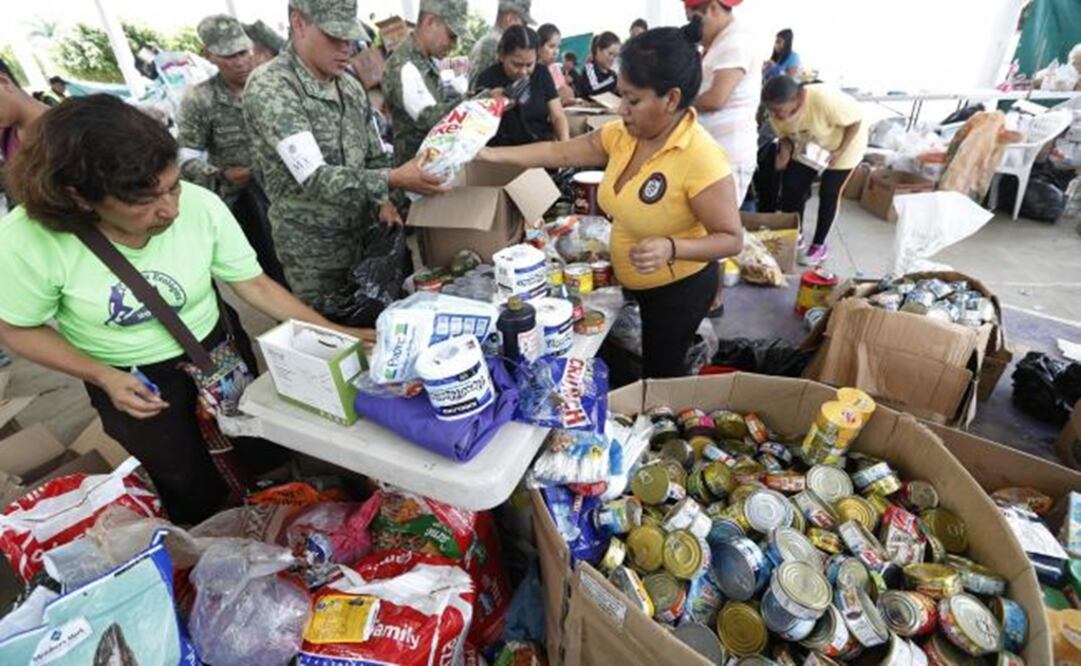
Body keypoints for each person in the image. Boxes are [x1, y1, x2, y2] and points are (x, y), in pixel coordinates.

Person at [0, 95, 371, 523]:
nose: (171, 209)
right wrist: (103, 376)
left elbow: (253, 284)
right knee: (185, 480)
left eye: (173, 185)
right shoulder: (26, 242)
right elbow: (18, 329)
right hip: (131, 378)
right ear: (80, 197)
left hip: (214, 351)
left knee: (260, 447)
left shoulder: (200, 205)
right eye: (143, 200)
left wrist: (328, 330)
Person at [479, 25, 742, 378]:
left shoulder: (701, 157)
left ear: (672, 99)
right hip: (632, 280)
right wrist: (491, 155)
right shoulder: (624, 134)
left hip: (677, 290)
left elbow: (731, 238)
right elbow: (559, 151)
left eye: (633, 100)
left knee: (660, 375)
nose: (621, 109)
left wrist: (670, 247)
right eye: (621, 96)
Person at [244, 0, 445, 317]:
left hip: (366, 240)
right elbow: (314, 177)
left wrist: (383, 201)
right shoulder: (272, 87)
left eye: (350, 39)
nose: (346, 49)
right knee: (335, 344)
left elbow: (375, 153)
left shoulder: (350, 87)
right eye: (335, 38)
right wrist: (392, 179)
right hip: (315, 254)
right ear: (299, 24)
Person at [178, 15, 287, 288]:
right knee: (272, 273)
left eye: (243, 52)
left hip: (290, 194)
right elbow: (184, 157)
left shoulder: (273, 86)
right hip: (247, 203)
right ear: (209, 56)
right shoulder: (200, 99)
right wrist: (221, 174)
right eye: (228, 56)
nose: (239, 62)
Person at [763, 76, 866, 265]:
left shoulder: (823, 99)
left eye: (780, 110)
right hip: (810, 144)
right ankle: (797, 233)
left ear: (799, 98)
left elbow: (856, 120)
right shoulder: (775, 113)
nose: (776, 115)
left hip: (845, 144)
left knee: (829, 193)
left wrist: (840, 150)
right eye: (772, 110)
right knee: (792, 186)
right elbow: (785, 136)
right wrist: (784, 152)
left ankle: (819, 244)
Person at [687, 0, 759, 205]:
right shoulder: (720, 42)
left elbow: (716, 98)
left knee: (716, 227)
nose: (695, 29)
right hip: (712, 151)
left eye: (695, 20)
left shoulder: (735, 42)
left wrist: (677, 105)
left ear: (712, 9)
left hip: (727, 155)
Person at [383, 0, 467, 166]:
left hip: (434, 169)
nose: (454, 45)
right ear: (430, 22)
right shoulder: (403, 65)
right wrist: (474, 103)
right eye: (451, 36)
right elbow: (430, 119)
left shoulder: (428, 60)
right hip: (415, 179)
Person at [476, 27, 569, 146]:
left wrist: (565, 146)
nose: (523, 72)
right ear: (501, 55)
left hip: (540, 146)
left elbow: (557, 115)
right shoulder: (488, 78)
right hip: (503, 151)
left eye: (529, 65)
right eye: (516, 64)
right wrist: (491, 105)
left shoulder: (541, 73)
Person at [468, 0, 535, 90]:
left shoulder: (493, 41)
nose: (525, 28)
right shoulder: (491, 44)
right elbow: (476, 90)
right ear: (510, 19)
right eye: (524, 23)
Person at [538, 23, 575, 106]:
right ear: (539, 46)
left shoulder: (555, 69)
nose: (556, 52)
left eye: (558, 47)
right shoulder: (533, 71)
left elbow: (566, 93)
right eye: (551, 46)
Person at [576, 31, 621, 98]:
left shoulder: (612, 75)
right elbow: (593, 90)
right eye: (610, 54)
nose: (612, 59)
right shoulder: (589, 68)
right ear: (598, 50)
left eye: (615, 56)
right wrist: (615, 83)